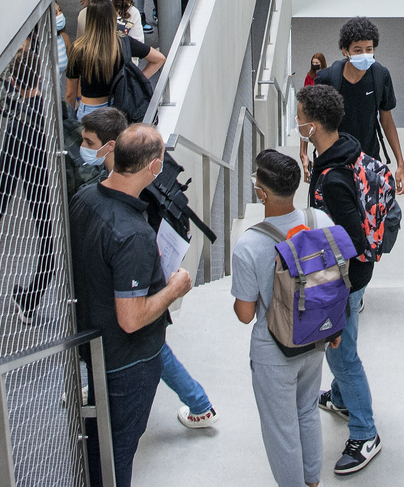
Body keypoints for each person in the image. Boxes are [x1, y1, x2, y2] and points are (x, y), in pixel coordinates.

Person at [74, 106, 219, 430]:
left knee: (155, 348)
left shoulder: (129, 193)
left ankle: (200, 402)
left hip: (135, 284)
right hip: (131, 283)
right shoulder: (113, 187)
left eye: (89, 141)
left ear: (112, 146)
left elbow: (132, 312)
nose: (82, 148)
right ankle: (199, 402)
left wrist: (165, 288)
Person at [69, 124, 193, 487]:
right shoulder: (132, 234)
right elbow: (131, 318)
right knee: (119, 452)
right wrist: (174, 289)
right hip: (128, 362)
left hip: (95, 345)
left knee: (99, 447)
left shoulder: (84, 197)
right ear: (154, 168)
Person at [232, 150, 339, 487]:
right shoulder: (320, 220)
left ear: (261, 193)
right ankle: (311, 481)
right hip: (315, 337)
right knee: (307, 411)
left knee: (281, 429)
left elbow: (245, 314)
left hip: (274, 350)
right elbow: (334, 278)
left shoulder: (250, 243)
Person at [297, 85, 383, 475]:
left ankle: (365, 432)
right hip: (354, 275)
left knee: (342, 353)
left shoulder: (332, 178)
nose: (297, 123)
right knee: (343, 346)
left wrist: (333, 293)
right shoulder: (346, 147)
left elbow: (353, 241)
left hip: (345, 279)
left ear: (313, 127)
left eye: (300, 119)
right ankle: (344, 400)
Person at [0, 50, 59, 324]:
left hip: (38, 191)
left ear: (14, 83)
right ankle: (28, 298)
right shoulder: (53, 110)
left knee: (49, 248)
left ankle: (29, 300)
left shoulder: (19, 123)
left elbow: (7, 171)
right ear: (40, 76)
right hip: (65, 187)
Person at [304, 17, 404, 194]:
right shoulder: (327, 78)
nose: (364, 55)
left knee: (371, 216)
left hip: (369, 158)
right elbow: (309, 118)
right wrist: (304, 153)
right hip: (335, 159)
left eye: (369, 49)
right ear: (345, 51)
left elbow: (387, 120)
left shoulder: (380, 76)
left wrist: (400, 163)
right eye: (358, 50)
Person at [65, 0, 164, 121]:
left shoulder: (78, 48)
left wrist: (69, 122)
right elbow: (159, 59)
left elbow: (70, 93)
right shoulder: (122, 42)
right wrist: (137, 81)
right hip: (117, 108)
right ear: (113, 17)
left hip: (89, 110)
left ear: (89, 19)